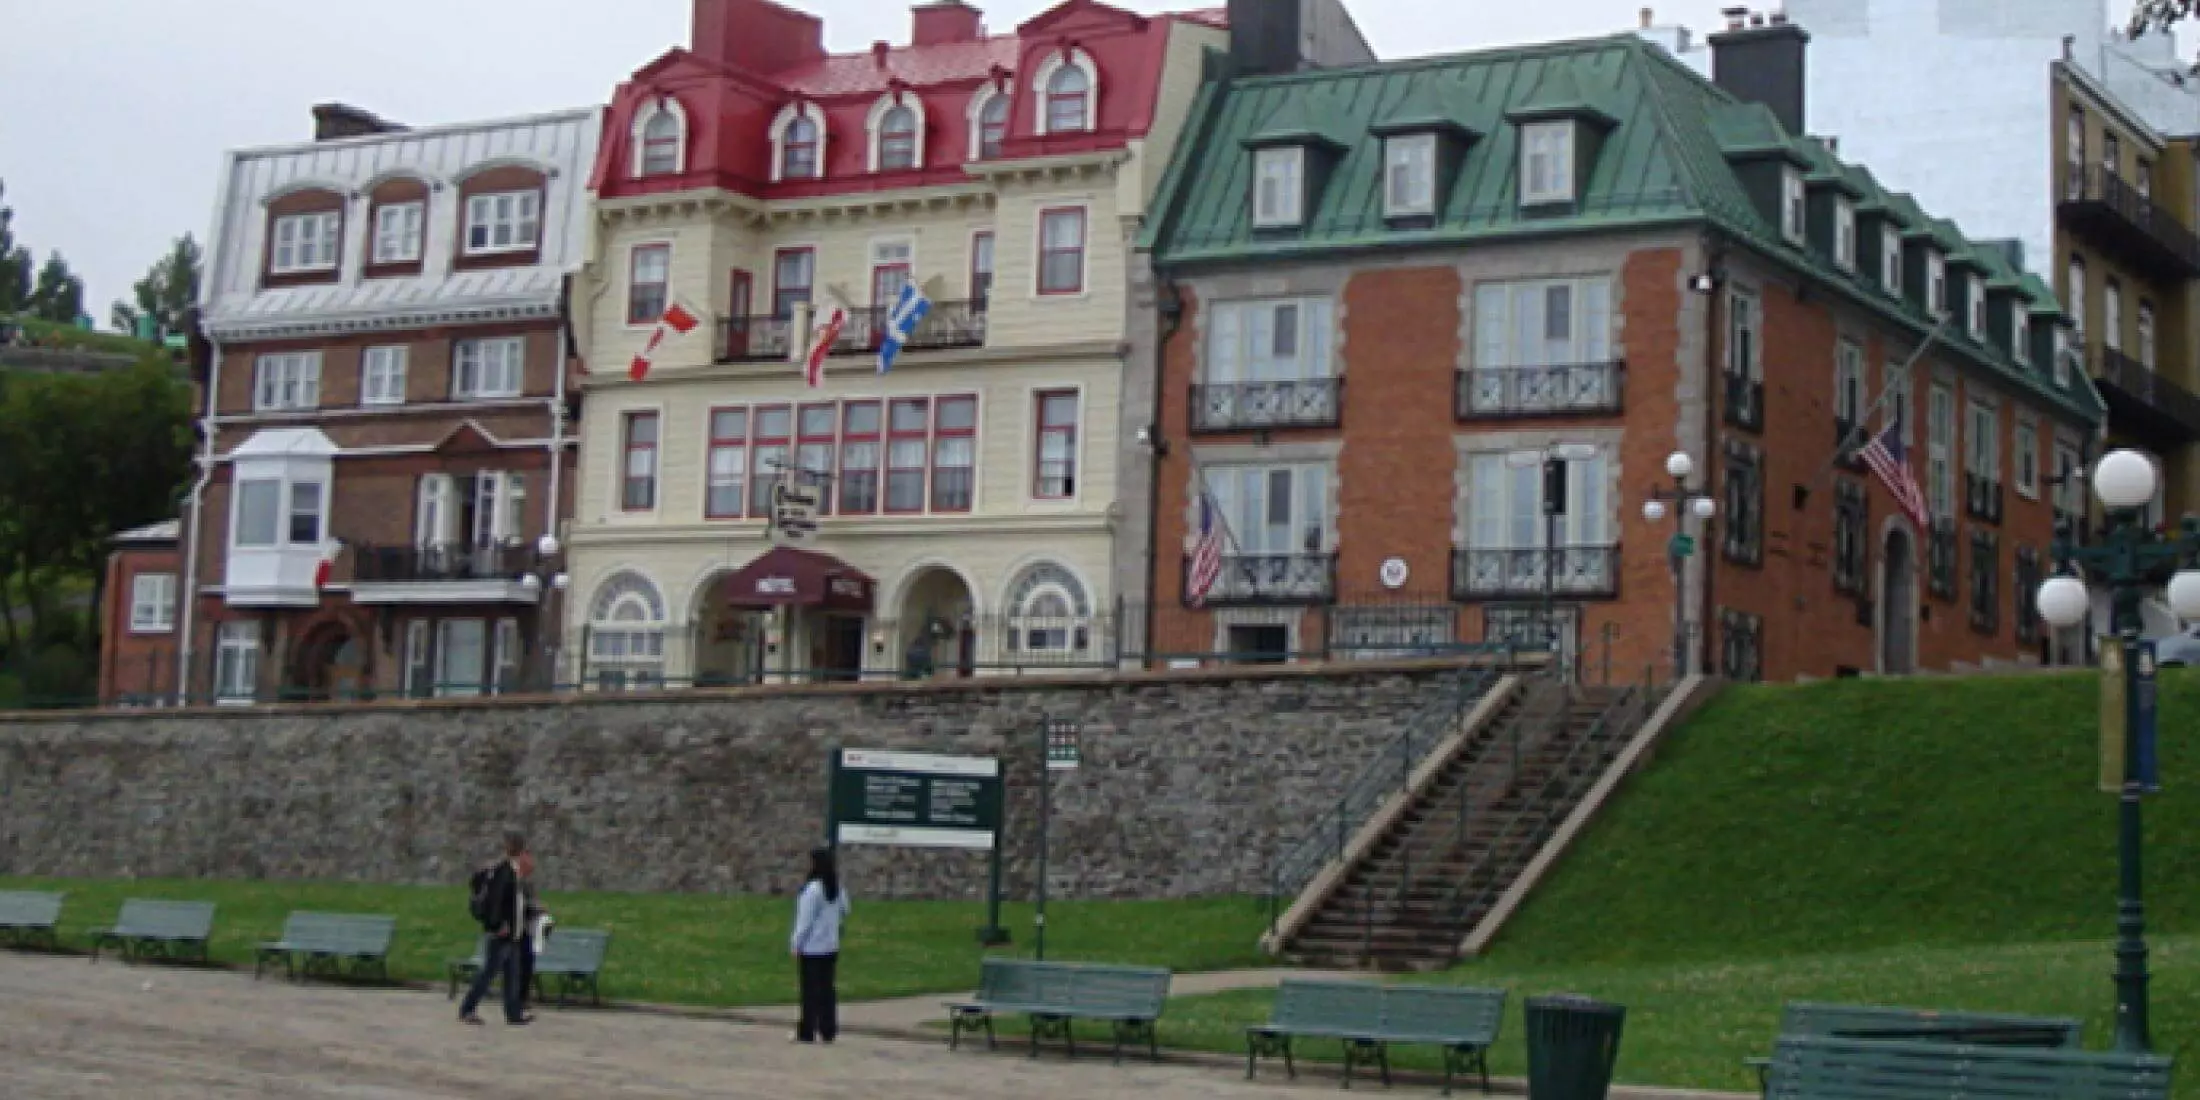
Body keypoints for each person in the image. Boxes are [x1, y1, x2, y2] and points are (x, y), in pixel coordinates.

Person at [459, 831, 535, 1027]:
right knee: (488, 973)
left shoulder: (514, 875)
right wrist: (498, 924)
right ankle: (467, 1009)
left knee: (512, 975)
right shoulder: (505, 873)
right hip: (502, 933)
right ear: (522, 854)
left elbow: (515, 904)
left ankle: (513, 1013)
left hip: (514, 932)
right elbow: (497, 901)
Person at [790, 846, 850, 1044]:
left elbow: (805, 921)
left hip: (812, 947)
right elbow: (845, 909)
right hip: (831, 945)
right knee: (827, 988)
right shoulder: (836, 887)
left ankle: (807, 1030)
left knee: (810, 990)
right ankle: (828, 1028)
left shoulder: (812, 890)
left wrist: (796, 943)